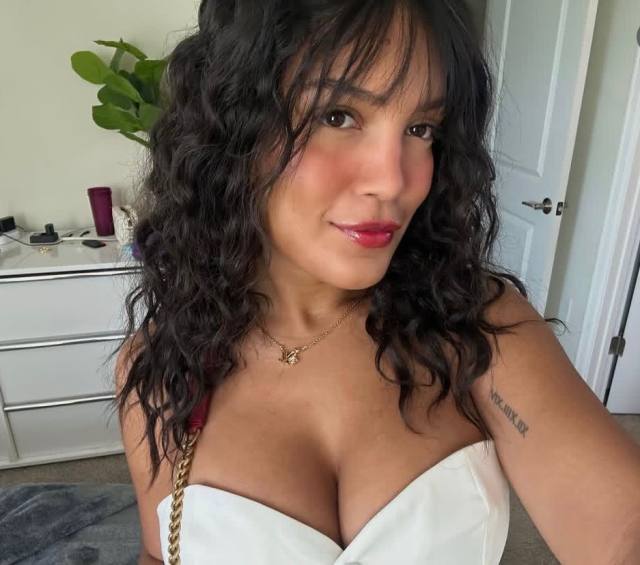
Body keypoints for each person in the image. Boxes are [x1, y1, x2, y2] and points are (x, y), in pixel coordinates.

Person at [113, 1, 640, 563]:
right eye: (337, 116)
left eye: (421, 128)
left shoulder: (476, 329)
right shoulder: (163, 365)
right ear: (233, 125)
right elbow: (158, 553)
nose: (393, 180)